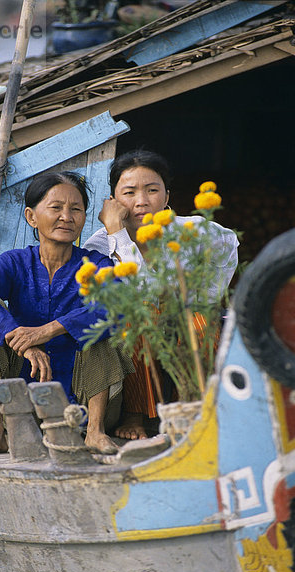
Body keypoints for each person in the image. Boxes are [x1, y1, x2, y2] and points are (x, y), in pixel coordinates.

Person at [0, 171, 133, 457]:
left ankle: (95, 432)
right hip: (21, 402)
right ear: (31, 216)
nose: (67, 216)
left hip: (82, 403)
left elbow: (117, 305)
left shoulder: (96, 264)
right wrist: (21, 338)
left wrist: (51, 329)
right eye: (56, 208)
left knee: (101, 329)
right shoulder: (15, 262)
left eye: (76, 209)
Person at [83, 149, 239, 440]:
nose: (141, 201)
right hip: (137, 326)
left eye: (152, 190)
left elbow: (229, 244)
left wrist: (206, 295)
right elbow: (139, 290)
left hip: (183, 318)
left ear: (167, 197)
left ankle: (191, 404)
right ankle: (135, 412)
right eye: (129, 192)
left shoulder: (189, 230)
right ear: (113, 200)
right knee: (136, 317)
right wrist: (117, 233)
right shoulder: (100, 244)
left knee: (199, 321)